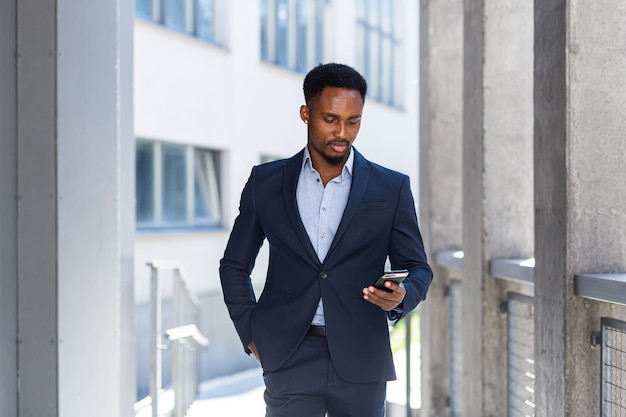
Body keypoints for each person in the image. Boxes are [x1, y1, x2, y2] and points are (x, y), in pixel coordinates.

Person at [219, 63, 433, 417]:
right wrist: (250, 332)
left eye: (354, 121)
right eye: (331, 119)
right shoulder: (266, 182)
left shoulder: (391, 187)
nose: (343, 132)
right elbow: (234, 265)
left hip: (362, 357)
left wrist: (401, 296)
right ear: (306, 114)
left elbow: (418, 268)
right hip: (287, 355)